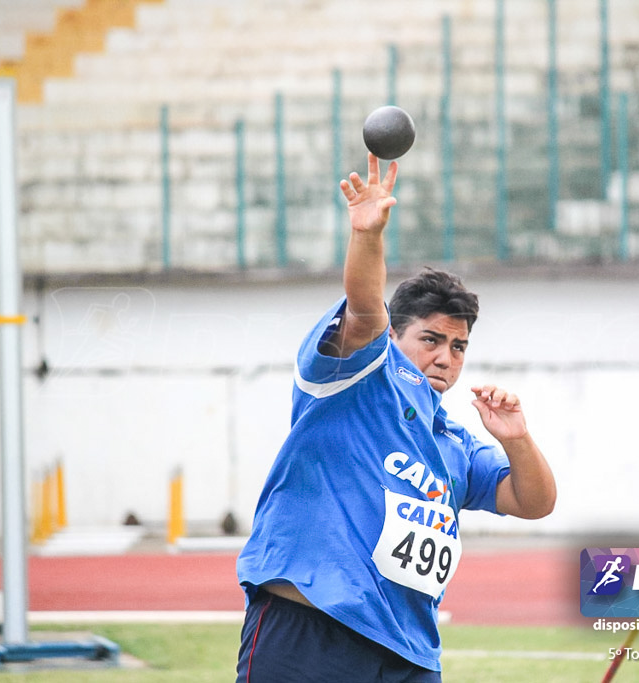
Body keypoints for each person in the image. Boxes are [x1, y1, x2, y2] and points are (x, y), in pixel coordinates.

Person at [235, 153, 557, 682]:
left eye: (459, 346)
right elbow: (364, 309)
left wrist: (518, 440)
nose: (446, 357)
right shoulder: (353, 379)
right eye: (431, 339)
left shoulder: (453, 442)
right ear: (395, 338)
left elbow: (535, 502)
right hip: (311, 630)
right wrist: (367, 235)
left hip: (407, 654)